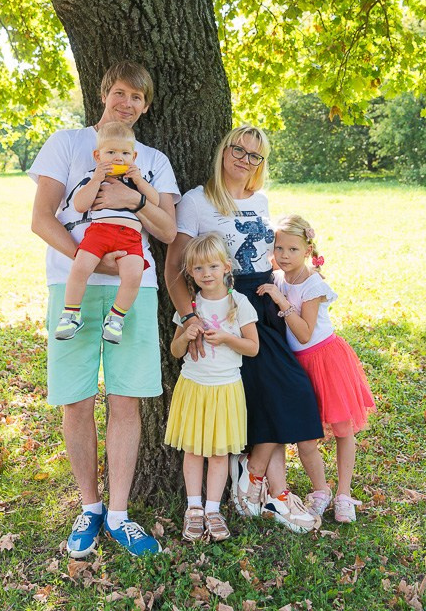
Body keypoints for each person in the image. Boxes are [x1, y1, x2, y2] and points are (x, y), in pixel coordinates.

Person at [29, 61, 180, 558]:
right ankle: (89, 508)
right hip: (71, 286)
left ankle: (119, 515)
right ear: (104, 94)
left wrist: (133, 201)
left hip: (134, 294)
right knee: (76, 399)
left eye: (138, 98)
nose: (127, 103)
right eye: (120, 93)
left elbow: (168, 231)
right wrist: (88, 261)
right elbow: (42, 218)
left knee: (125, 399)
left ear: (146, 106)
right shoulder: (69, 144)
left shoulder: (152, 159)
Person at [165, 126, 323, 534]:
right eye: (238, 149)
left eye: (255, 155)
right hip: (229, 304)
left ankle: (262, 484)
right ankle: (268, 489)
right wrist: (190, 317)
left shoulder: (262, 199)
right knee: (277, 392)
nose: (244, 159)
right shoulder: (197, 201)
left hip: (265, 303)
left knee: (281, 392)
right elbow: (174, 270)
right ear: (223, 150)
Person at [257, 214, 376, 523]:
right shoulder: (280, 276)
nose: (284, 256)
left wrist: (281, 300)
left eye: (292, 250)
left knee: (341, 428)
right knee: (306, 437)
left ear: (307, 250)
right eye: (279, 248)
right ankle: (320, 490)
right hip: (298, 367)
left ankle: (344, 495)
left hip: (326, 360)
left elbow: (305, 333)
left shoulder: (313, 284)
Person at [165, 233, 259, 542]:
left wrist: (227, 338)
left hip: (226, 388)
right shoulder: (190, 306)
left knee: (219, 454)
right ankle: (193, 508)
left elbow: (252, 348)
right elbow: (175, 352)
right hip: (194, 386)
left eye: (213, 267)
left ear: (226, 267)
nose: (207, 274)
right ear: (190, 273)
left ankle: (213, 509)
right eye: (199, 269)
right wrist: (186, 334)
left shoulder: (239, 304)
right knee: (193, 450)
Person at [54, 121, 160, 345]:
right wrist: (95, 179)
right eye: (110, 152)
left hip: (130, 238)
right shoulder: (92, 176)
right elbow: (80, 205)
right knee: (80, 266)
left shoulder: (136, 181)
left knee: (134, 274)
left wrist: (139, 181)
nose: (118, 158)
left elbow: (155, 201)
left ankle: (116, 318)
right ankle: (70, 314)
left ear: (134, 156)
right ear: (98, 156)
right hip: (99, 232)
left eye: (124, 153)